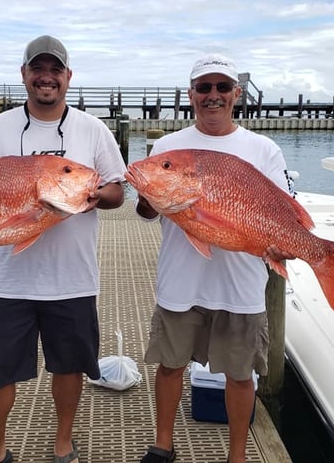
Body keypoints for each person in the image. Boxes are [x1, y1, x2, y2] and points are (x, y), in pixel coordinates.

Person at [0, 35, 126, 463]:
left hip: (72, 277)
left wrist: (93, 197)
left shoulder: (92, 130)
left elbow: (115, 189)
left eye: (55, 70)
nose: (46, 77)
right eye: (38, 69)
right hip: (9, 280)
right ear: (24, 75)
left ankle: (63, 440)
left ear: (68, 78)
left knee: (70, 364)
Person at [135, 54, 295, 463]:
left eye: (222, 87)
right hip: (180, 282)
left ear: (236, 95)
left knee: (240, 374)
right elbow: (146, 211)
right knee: (170, 365)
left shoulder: (263, 149)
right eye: (203, 87)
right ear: (190, 95)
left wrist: (283, 243)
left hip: (240, 286)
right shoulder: (168, 146)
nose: (213, 95)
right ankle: (163, 443)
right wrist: (151, 199)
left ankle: (237, 456)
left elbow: (283, 209)